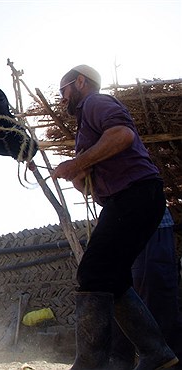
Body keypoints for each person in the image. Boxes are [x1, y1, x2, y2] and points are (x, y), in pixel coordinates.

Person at [52, 65, 178, 370]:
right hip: (128, 199)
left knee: (92, 273)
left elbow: (122, 135)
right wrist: (77, 173)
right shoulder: (86, 123)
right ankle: (157, 354)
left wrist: (78, 162)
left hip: (135, 195)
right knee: (116, 280)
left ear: (81, 82)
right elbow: (91, 175)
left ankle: (91, 364)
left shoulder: (96, 102)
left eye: (64, 89)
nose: (62, 98)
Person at [110, 208, 182, 369]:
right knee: (113, 292)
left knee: (157, 299)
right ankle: (121, 362)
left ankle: (170, 362)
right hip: (117, 229)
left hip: (149, 224)